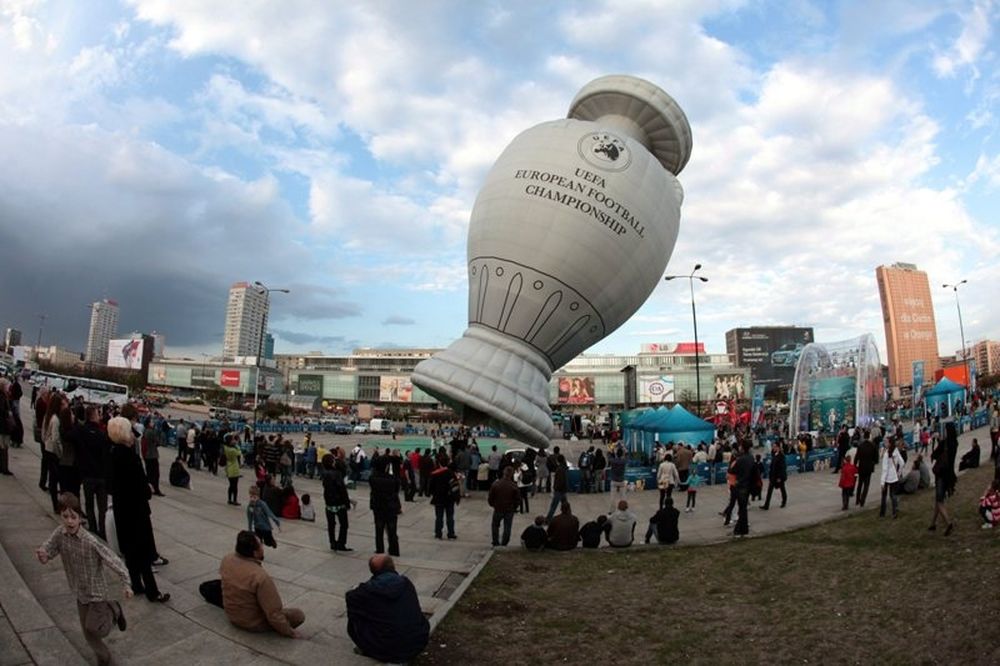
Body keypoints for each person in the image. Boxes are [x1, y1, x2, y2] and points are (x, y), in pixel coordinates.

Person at [37, 493, 131, 666]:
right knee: (88, 633)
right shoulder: (60, 533)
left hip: (96, 592)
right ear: (60, 516)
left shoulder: (90, 541)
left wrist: (126, 583)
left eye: (73, 517)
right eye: (65, 517)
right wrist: (44, 555)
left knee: (96, 629)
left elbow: (113, 560)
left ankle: (114, 609)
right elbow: (50, 547)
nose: (70, 521)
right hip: (80, 592)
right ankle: (104, 659)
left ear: (80, 517)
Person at [107, 417, 170, 603]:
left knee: (130, 550)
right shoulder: (130, 458)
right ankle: (153, 591)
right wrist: (148, 489)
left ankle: (136, 583)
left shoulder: (111, 453)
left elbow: (111, 484)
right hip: (136, 510)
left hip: (121, 508)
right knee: (142, 551)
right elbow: (140, 487)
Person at [345, 555, 429, 663]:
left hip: (388, 649)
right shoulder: (406, 583)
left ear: (372, 571)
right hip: (418, 641)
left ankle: (366, 646)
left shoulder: (365, 592)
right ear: (393, 566)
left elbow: (350, 596)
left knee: (355, 613)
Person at [220, 531, 304, 637]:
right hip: (252, 623)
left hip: (232, 615)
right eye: (261, 545)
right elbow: (274, 613)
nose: (263, 547)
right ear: (255, 553)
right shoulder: (259, 576)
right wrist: (290, 632)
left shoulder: (226, 559)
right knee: (298, 615)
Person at [77, 405, 110, 539]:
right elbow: (106, 455)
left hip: (87, 474)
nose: (100, 416)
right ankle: (103, 530)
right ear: (93, 416)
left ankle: (93, 526)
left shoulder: (81, 431)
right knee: (102, 507)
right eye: (98, 414)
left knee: (89, 503)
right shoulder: (102, 434)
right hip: (100, 475)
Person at [369, 457, 401, 556]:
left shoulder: (372, 478)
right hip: (391, 506)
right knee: (392, 530)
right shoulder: (393, 479)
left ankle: (380, 549)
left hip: (378, 506)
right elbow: (396, 490)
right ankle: (394, 549)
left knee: (379, 529)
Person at [321, 453, 353, 551]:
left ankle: (332, 542)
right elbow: (342, 490)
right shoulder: (337, 474)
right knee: (344, 524)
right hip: (339, 502)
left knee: (331, 524)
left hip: (329, 502)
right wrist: (347, 503)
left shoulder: (324, 473)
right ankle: (341, 543)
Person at [487, 466, 520, 547]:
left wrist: (493, 504)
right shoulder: (514, 486)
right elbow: (518, 499)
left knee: (495, 525)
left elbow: (490, 497)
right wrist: (514, 507)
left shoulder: (496, 484)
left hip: (498, 508)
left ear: (503, 473)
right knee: (507, 527)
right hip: (509, 509)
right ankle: (504, 543)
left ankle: (495, 541)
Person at [929, 434, 955, 535]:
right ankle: (932, 524)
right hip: (947, 477)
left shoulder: (944, 445)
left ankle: (948, 523)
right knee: (938, 500)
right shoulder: (953, 445)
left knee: (939, 501)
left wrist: (939, 441)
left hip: (940, 476)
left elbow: (935, 455)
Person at [428, 454, 458, 540]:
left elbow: (431, 488)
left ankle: (438, 534)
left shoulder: (435, 474)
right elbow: (455, 487)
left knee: (439, 517)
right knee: (450, 517)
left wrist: (433, 493)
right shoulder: (451, 473)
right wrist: (456, 497)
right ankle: (451, 533)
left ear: (439, 463)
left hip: (438, 498)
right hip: (449, 499)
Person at [731, 442, 754, 536]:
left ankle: (741, 529)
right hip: (748, 484)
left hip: (741, 485)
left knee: (742, 509)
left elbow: (732, 470)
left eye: (740, 446)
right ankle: (741, 528)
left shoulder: (741, 459)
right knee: (743, 508)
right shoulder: (751, 457)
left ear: (743, 448)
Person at [879, 438, 905, 519]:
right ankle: (894, 511)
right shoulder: (896, 451)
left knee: (884, 496)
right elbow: (902, 463)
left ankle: (882, 513)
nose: (885, 443)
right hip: (894, 476)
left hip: (887, 478)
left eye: (886, 442)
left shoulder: (887, 454)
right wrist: (899, 473)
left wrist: (882, 482)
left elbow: (885, 469)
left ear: (889, 443)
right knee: (893, 495)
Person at [761, 441, 787, 510]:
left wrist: (779, 477)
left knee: (782, 489)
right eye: (773, 446)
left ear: (778, 447)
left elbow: (782, 467)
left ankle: (784, 501)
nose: (773, 447)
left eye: (775, 446)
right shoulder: (774, 454)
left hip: (779, 476)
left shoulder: (781, 455)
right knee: (769, 491)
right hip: (773, 476)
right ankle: (766, 505)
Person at [854, 433, 878, 507]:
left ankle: (857, 499)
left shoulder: (860, 446)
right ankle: (862, 500)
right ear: (869, 437)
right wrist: (873, 462)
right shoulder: (873, 446)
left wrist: (855, 464)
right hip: (869, 467)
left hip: (861, 467)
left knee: (860, 484)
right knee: (866, 485)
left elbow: (856, 457)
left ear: (864, 437)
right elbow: (876, 458)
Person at [545, 454, 569, 523]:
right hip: (563, 490)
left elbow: (560, 480)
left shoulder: (559, 469)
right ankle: (567, 516)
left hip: (559, 490)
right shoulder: (564, 467)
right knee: (565, 504)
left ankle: (548, 519)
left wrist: (556, 488)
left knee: (553, 506)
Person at [224, 434, 242, 506]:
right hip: (234, 468)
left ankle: (229, 499)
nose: (234, 441)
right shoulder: (233, 450)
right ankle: (234, 500)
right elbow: (239, 453)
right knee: (235, 486)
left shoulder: (225, 448)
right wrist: (237, 445)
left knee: (231, 485)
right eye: (232, 440)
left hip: (228, 467)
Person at [608, 447, 628, 511]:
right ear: (622, 454)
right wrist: (625, 451)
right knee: (623, 496)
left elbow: (609, 456)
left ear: (616, 454)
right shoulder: (623, 461)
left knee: (613, 497)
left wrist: (611, 451)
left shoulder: (613, 461)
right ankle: (624, 508)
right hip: (621, 480)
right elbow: (627, 456)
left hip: (614, 480)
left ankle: (612, 510)